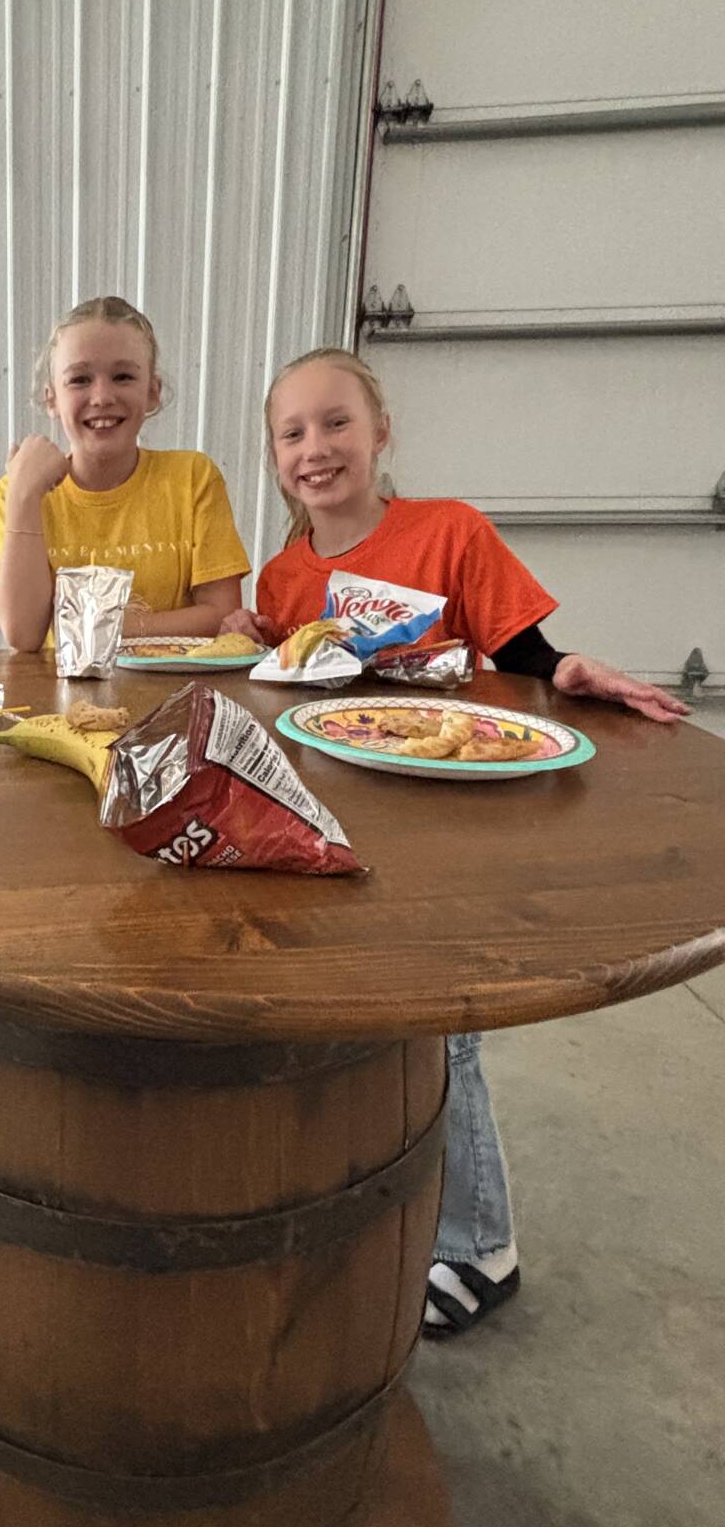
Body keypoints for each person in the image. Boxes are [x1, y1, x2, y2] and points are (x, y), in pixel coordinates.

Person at [230, 346, 687, 1336]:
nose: (317, 448)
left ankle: (481, 1245)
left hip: (453, 824)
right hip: (346, 824)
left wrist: (570, 671)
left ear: (383, 431)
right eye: (293, 433)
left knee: (449, 1036)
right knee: (373, 1031)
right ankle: (394, 1210)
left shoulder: (450, 532)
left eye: (337, 422)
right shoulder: (280, 577)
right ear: (274, 458)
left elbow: (526, 658)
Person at [0, 295, 251, 649]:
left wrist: (105, 625)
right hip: (62, 702)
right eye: (79, 380)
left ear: (152, 392)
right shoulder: (18, 492)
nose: (102, 396)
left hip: (174, 696)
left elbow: (221, 614)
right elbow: (23, 634)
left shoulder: (192, 478)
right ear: (51, 399)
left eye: (123, 376)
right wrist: (23, 495)